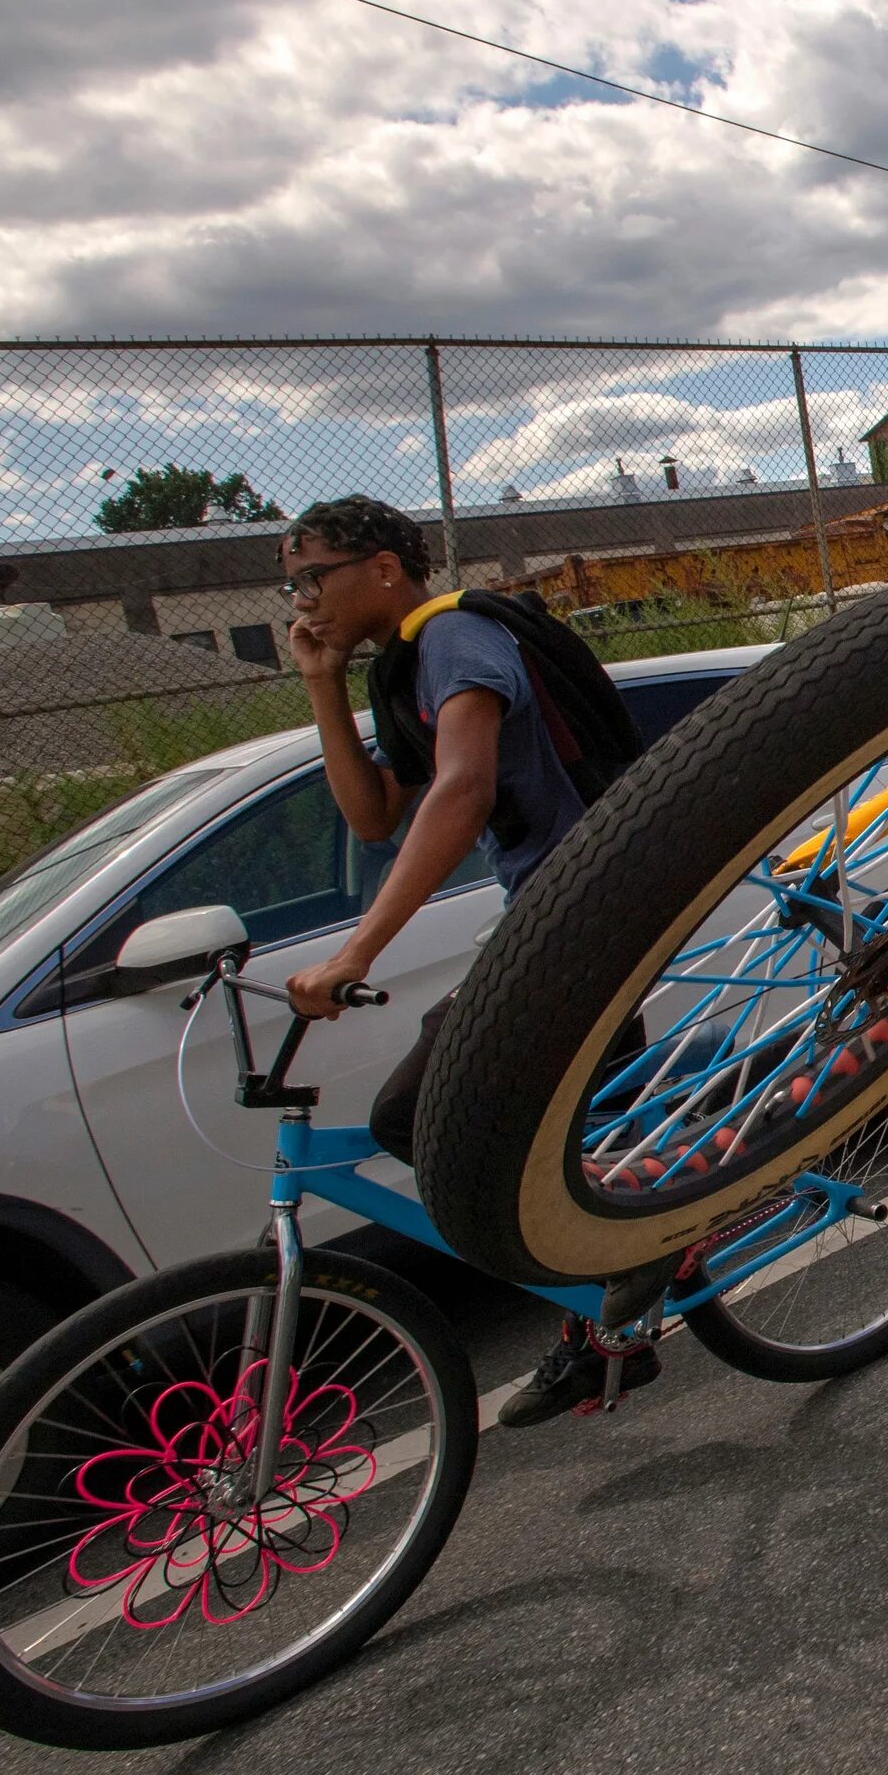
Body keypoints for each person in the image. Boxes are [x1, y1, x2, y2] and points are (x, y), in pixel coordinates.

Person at [276, 495, 656, 1428]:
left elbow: (463, 787)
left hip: (587, 905)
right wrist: (322, 684)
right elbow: (373, 815)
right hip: (550, 915)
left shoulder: (452, 640)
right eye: (291, 584)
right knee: (523, 1136)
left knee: (419, 1115)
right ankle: (619, 1309)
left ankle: (632, 1258)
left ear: (382, 569)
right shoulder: (403, 671)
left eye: (312, 576)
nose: (302, 599)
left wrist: (357, 950)